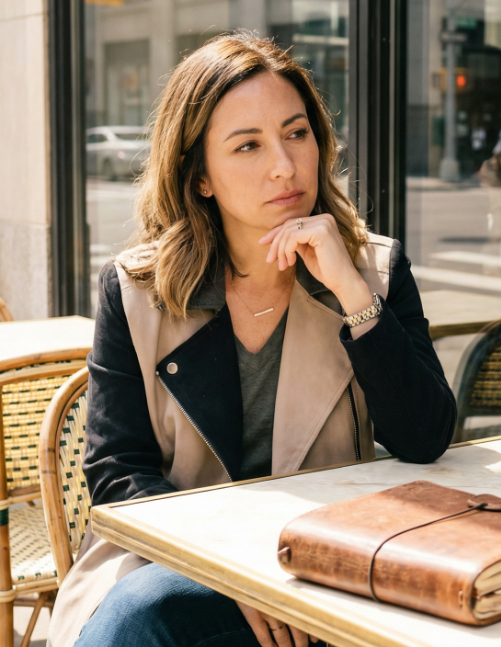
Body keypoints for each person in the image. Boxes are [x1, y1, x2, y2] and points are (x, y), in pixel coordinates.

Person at [50, 34, 458, 647]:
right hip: (179, 563)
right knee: (144, 615)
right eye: (248, 145)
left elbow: (425, 438)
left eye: (297, 134)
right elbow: (120, 471)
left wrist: (351, 293)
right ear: (201, 177)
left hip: (324, 568)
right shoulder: (135, 291)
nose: (284, 166)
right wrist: (232, 567)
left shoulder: (373, 272)